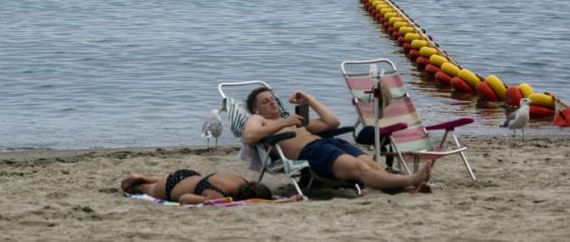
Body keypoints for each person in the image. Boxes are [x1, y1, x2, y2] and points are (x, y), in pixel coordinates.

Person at [243, 87, 431, 193]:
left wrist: (308, 99)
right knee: (360, 169)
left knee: (368, 163)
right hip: (311, 152)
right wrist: (284, 123)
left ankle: (404, 188)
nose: (272, 102)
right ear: (256, 110)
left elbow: (332, 122)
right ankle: (411, 179)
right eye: (265, 102)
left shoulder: (292, 119)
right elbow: (250, 137)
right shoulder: (258, 120)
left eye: (272, 98)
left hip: (328, 143)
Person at [121, 170, 272, 205]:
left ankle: (142, 177)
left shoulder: (240, 180)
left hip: (188, 174)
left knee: (163, 180)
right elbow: (183, 199)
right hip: (169, 189)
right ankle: (138, 183)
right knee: (138, 189)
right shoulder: (218, 195)